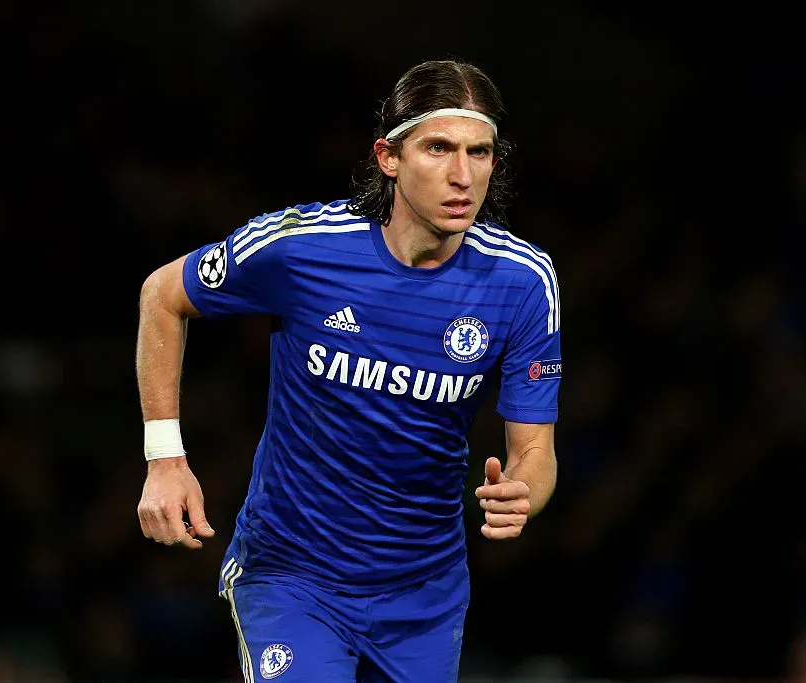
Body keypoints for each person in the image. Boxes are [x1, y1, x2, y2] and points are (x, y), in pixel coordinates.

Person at [135, 59, 561, 682]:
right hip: (292, 577)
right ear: (389, 157)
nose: (462, 175)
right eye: (438, 148)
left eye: (481, 152)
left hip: (424, 596)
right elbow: (161, 297)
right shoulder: (301, 247)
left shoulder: (522, 283)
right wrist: (165, 457)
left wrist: (524, 495)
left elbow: (537, 452)